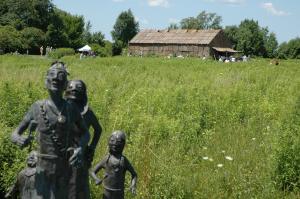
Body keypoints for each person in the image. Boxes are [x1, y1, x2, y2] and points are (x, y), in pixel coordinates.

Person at [11, 61, 90, 199]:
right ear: (46, 81)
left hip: (63, 169)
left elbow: (86, 133)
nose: (55, 78)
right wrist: (18, 139)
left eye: (60, 76)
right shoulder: (37, 107)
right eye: (52, 75)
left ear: (66, 84)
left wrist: (80, 148)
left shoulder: (71, 109)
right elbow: (15, 133)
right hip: (42, 168)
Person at [65, 80, 102, 199]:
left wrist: (92, 147)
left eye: (78, 87)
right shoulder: (61, 109)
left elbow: (98, 130)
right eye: (71, 87)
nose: (74, 89)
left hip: (80, 155)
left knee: (78, 187)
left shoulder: (87, 113)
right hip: (62, 153)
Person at [90, 130, 137, 199]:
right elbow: (92, 171)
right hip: (107, 192)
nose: (115, 144)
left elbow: (134, 174)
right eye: (112, 141)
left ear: (122, 144)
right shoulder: (106, 159)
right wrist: (96, 179)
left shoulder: (123, 160)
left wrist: (133, 185)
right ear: (109, 142)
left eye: (118, 142)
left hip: (119, 193)